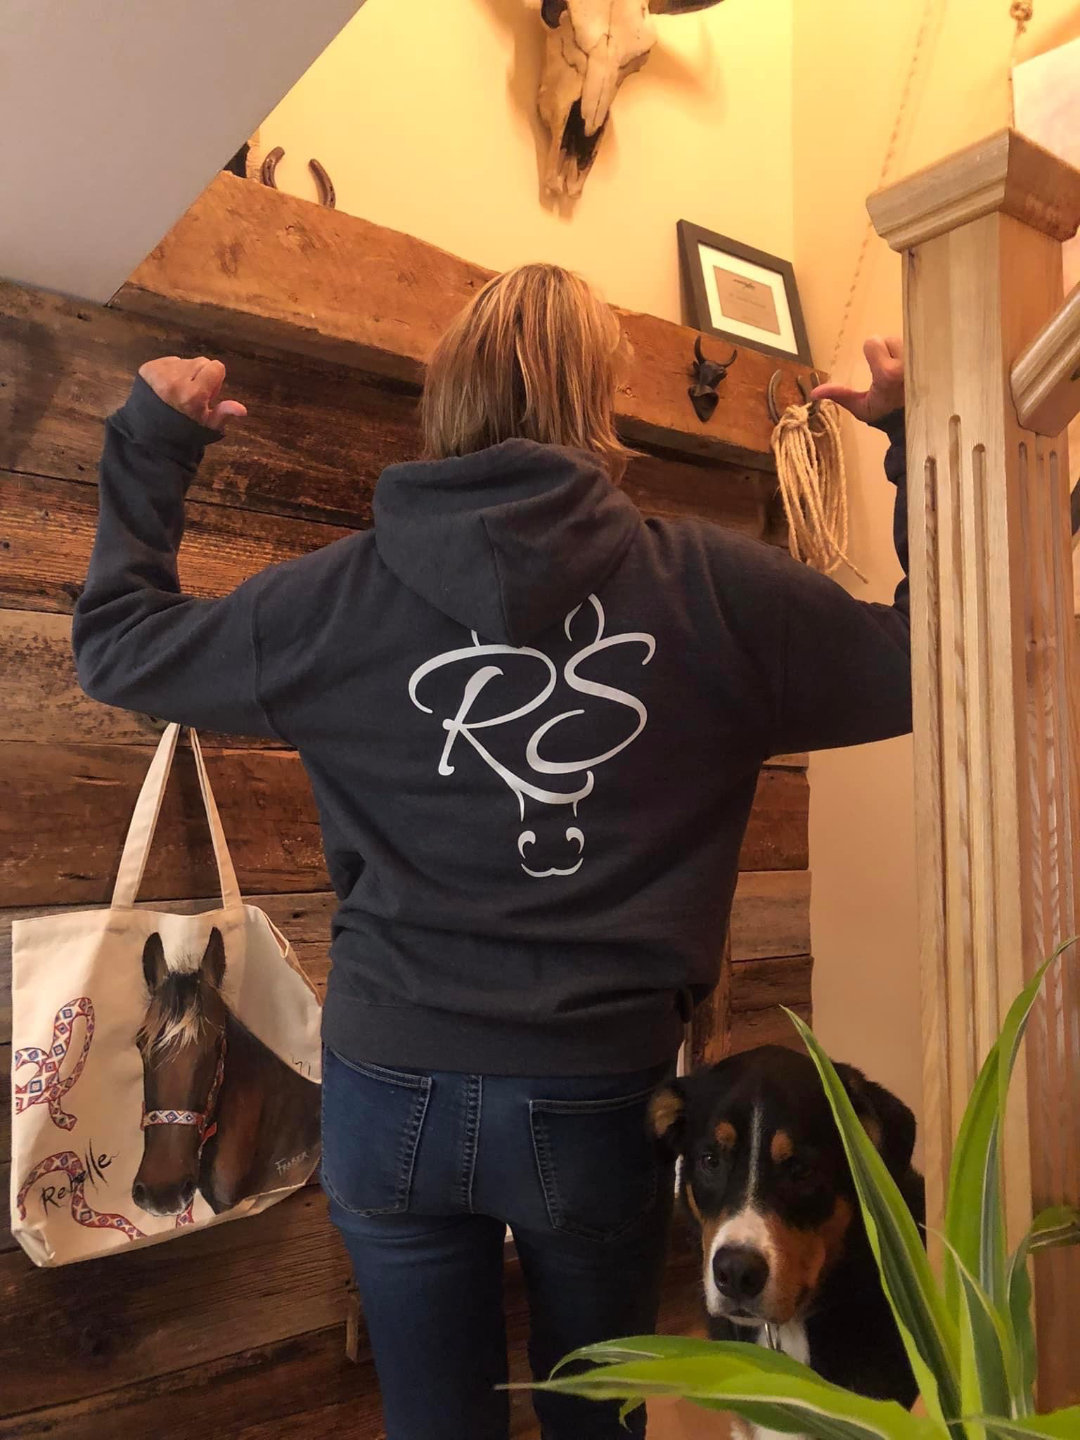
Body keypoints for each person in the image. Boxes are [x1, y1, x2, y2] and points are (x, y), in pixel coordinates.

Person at [73, 265, 909, 1440]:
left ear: (447, 397)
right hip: (594, 1098)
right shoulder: (716, 594)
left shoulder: (333, 601)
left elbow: (117, 645)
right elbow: (933, 655)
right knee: (592, 1419)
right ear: (597, 403)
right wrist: (916, 436)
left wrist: (154, 445)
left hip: (388, 1089)